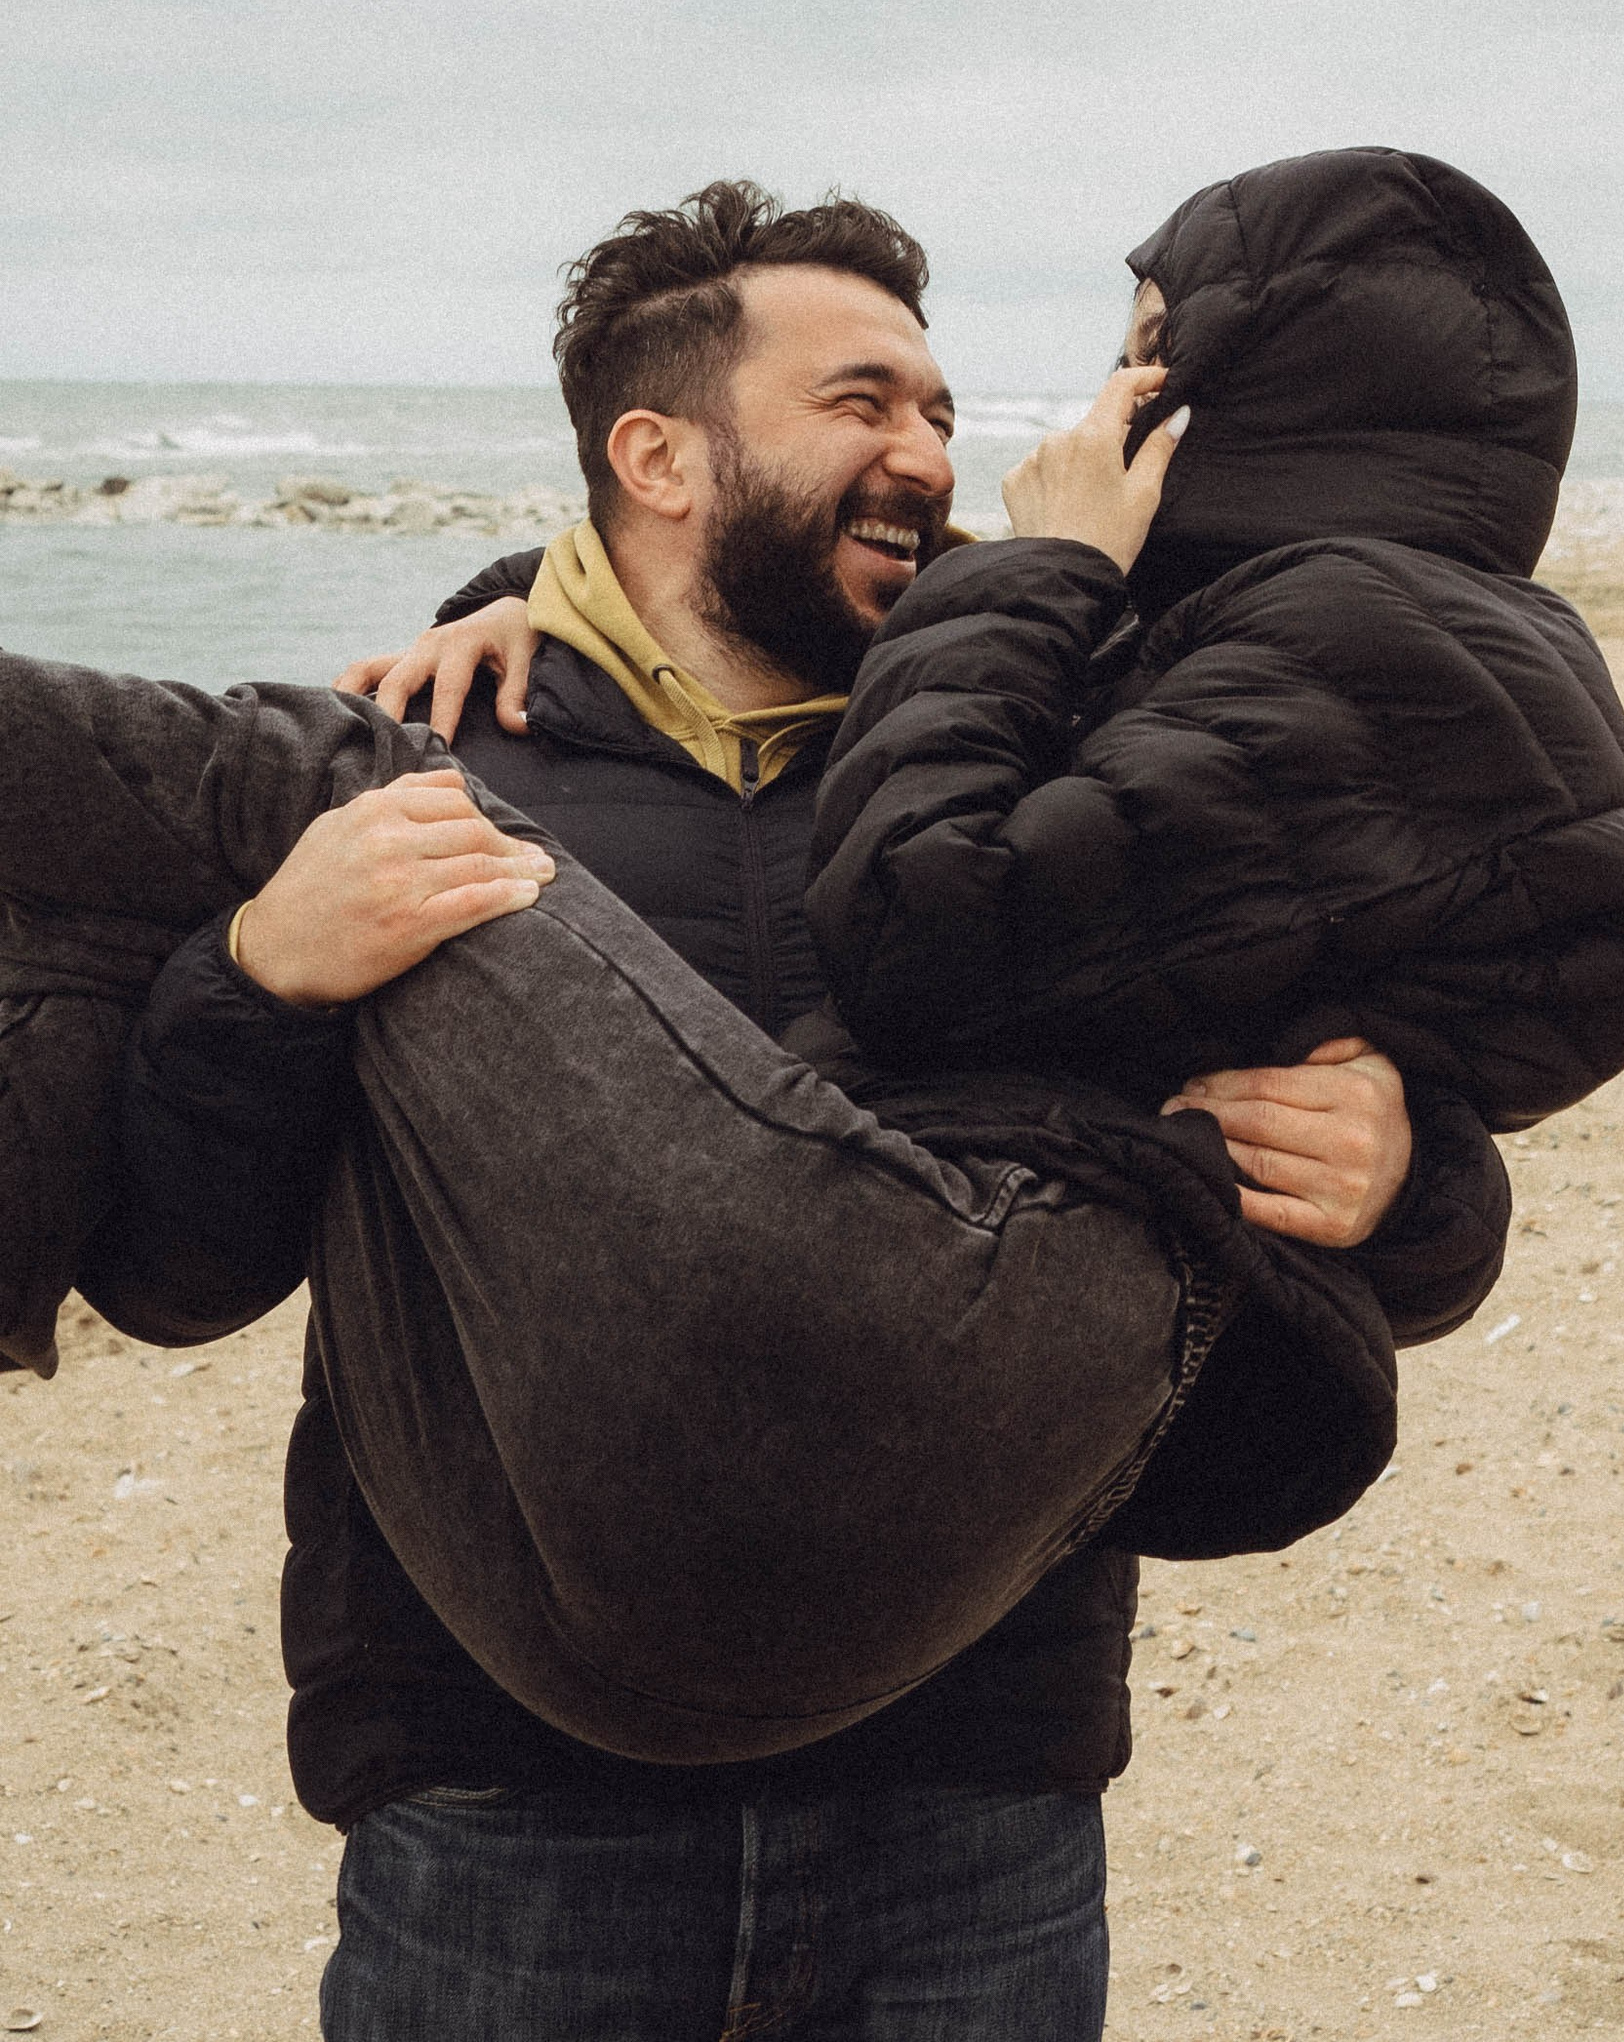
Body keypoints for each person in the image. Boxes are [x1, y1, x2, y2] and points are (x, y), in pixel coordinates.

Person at [59, 179, 1508, 2042]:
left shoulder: (1057, 787)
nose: (926, 454)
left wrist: (1402, 1163)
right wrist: (259, 971)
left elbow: (1431, 1217)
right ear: (657, 456)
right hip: (504, 1797)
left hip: (973, 1786)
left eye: (940, 412)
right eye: (861, 404)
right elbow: (177, 1269)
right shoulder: (408, 780)